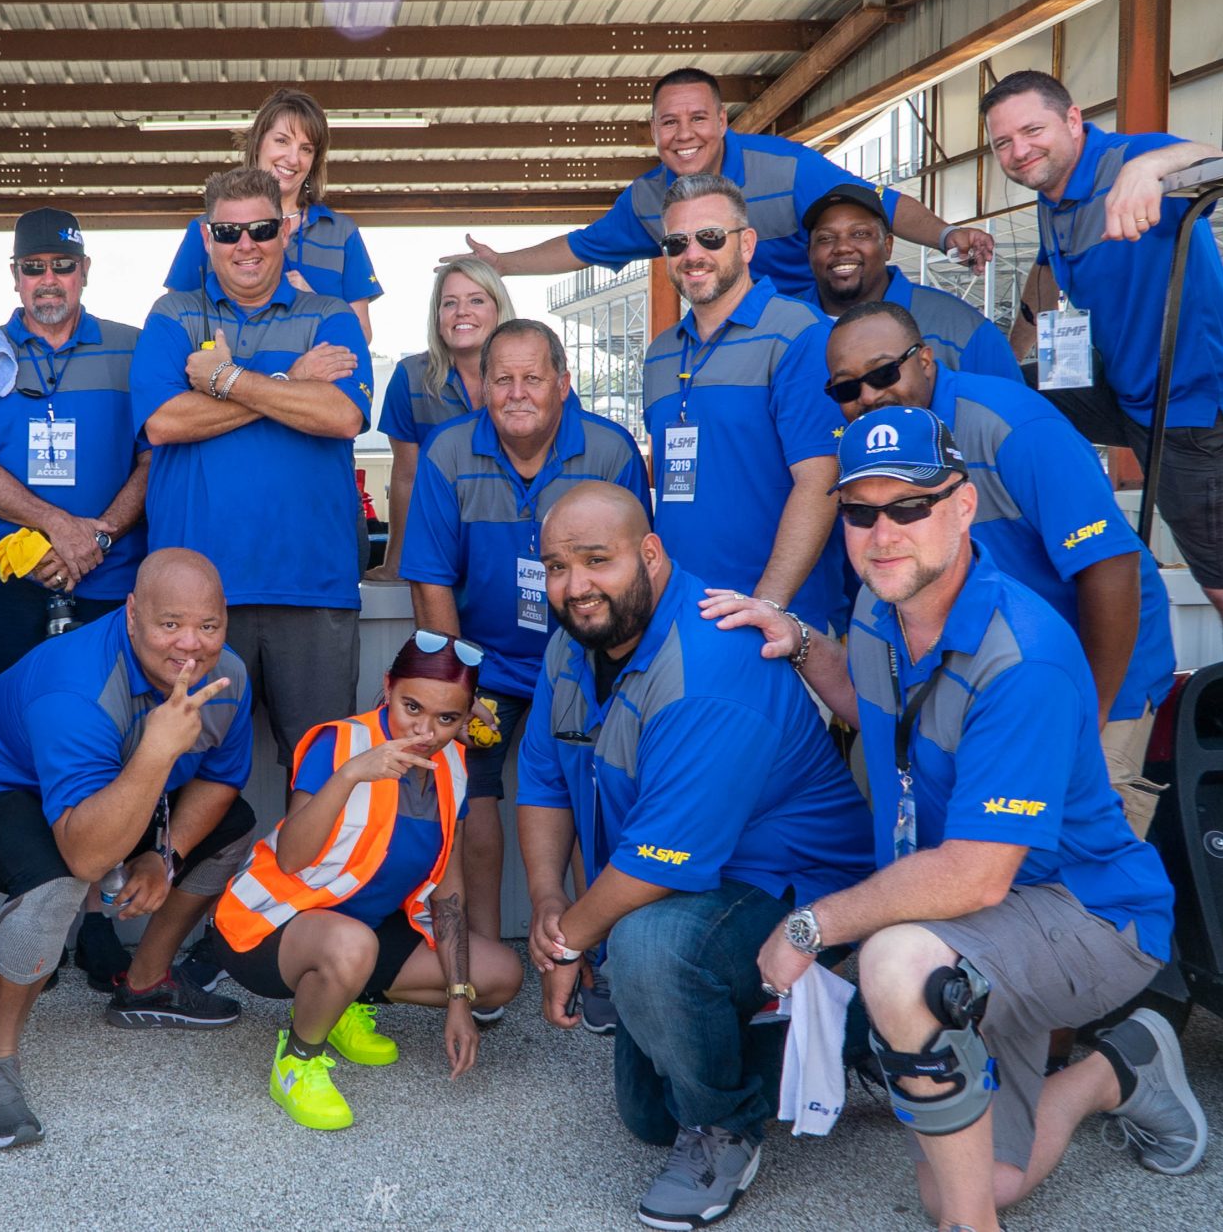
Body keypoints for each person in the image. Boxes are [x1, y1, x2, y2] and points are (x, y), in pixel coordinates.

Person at [713, 408, 1205, 1232]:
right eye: (861, 511)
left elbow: (977, 874)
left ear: (964, 505)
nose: (882, 532)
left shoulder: (1027, 656)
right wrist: (797, 637)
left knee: (896, 961)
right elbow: (870, 705)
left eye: (909, 506)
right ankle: (1121, 1067)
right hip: (979, 926)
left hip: (1090, 916)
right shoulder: (881, 611)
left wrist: (808, 928)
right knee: (973, 1176)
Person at [517, 483, 873, 1229]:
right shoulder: (570, 646)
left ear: (650, 553)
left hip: (795, 897)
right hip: (697, 893)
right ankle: (857, 1038)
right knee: (647, 1115)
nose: (576, 587)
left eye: (596, 560)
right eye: (555, 567)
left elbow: (655, 866)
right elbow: (545, 780)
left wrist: (565, 945)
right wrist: (549, 898)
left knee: (646, 947)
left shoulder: (709, 658)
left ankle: (729, 1129)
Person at [0, 549, 257, 1150]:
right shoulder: (78, 686)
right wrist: (156, 751)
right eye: (169, 624)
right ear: (131, 615)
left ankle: (146, 984)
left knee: (233, 827)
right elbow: (86, 859)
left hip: (99, 790)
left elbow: (222, 780)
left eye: (209, 625)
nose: (191, 646)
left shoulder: (227, 674)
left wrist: (164, 855)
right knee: (55, 886)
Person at [822, 303, 1176, 831]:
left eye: (882, 373)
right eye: (847, 388)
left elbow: (1110, 566)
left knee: (1070, 862)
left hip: (1088, 673)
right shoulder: (868, 448)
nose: (869, 395)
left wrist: (1091, 714)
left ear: (925, 361)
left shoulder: (1013, 425)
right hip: (971, 680)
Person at [984, 69, 1223, 660]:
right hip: (1128, 394)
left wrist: (1147, 173)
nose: (1019, 151)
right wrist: (997, 361)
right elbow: (1045, 278)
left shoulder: (1130, 159)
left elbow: (1221, 159)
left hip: (1199, 412)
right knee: (996, 399)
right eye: (1002, 143)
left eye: (1032, 130)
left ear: (1073, 121)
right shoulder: (1053, 200)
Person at [400, 319, 648, 955]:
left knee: (594, 788)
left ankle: (589, 953)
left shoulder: (611, 449)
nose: (516, 393)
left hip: (584, 659)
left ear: (563, 384)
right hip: (484, 662)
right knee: (467, 784)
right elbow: (429, 580)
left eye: (532, 378)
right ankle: (483, 956)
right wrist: (457, 683)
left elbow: (638, 573)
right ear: (481, 387)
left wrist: (608, 671)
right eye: (501, 378)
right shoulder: (447, 450)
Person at [212, 630, 524, 1130]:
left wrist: (459, 999)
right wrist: (350, 775)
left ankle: (339, 1003)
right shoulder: (341, 743)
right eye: (412, 707)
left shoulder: (453, 768)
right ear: (388, 685)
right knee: (351, 944)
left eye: (447, 718)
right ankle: (297, 1061)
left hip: (363, 932)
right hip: (266, 928)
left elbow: (448, 893)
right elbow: (292, 858)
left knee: (500, 975)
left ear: (467, 717)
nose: (425, 730)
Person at [131, 166, 373, 771]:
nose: (247, 245)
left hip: (312, 587)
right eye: (229, 232)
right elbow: (164, 422)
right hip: (194, 602)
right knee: (188, 774)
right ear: (206, 238)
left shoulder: (331, 313)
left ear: (285, 230)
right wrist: (292, 381)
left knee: (322, 773)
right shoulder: (172, 313)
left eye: (262, 229)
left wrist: (225, 381)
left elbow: (342, 415)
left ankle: (311, 874)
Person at [443, 66, 994, 298]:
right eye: (669, 122)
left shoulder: (786, 168)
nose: (684, 135)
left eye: (698, 119)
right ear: (653, 131)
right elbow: (581, 247)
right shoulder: (646, 201)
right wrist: (504, 264)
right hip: (736, 343)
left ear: (724, 121)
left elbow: (879, 205)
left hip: (824, 326)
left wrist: (949, 236)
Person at [0, 207, 149, 688]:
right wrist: (57, 526)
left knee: (112, 728)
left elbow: (156, 458)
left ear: (85, 270)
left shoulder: (135, 349)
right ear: (15, 276)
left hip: (115, 583)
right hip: (13, 583)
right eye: (33, 267)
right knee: (5, 735)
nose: (48, 279)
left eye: (63, 264)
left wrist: (99, 538)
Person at [643, 173, 847, 631]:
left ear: (747, 244)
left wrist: (765, 609)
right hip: (682, 618)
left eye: (711, 238)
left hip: (778, 622)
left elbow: (820, 485)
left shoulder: (801, 335)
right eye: (676, 243)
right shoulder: (659, 355)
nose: (693, 255)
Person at [163, 88, 382, 339]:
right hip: (223, 376)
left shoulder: (341, 232)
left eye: (306, 149)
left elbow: (362, 334)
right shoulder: (208, 229)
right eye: (282, 141)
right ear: (257, 143)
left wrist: (313, 302)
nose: (293, 158)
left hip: (314, 378)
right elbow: (174, 324)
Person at [370, 260, 517, 580]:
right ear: (437, 318)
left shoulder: (535, 372)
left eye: (476, 300)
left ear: (499, 308)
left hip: (518, 546)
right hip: (440, 553)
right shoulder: (409, 377)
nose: (462, 311)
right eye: (450, 303)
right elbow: (406, 477)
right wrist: (395, 562)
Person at [801, 182, 1022, 381]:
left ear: (887, 246)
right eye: (825, 238)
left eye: (860, 234)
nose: (842, 248)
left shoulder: (961, 327)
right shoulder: (782, 328)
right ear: (809, 252)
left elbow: (1016, 417)